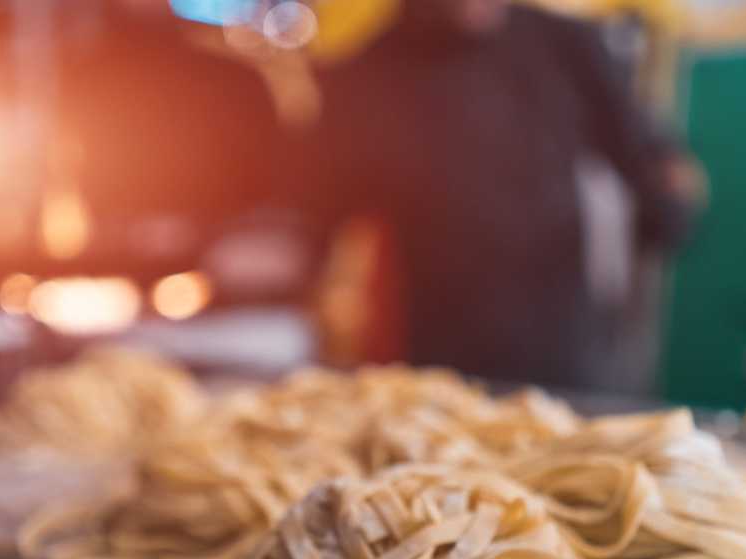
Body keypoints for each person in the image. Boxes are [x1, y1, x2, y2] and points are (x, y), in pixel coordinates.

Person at [302, 0, 704, 386]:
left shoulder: (564, 43)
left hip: (558, 336)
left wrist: (668, 206)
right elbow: (320, 210)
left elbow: (649, 153)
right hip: (433, 348)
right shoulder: (367, 74)